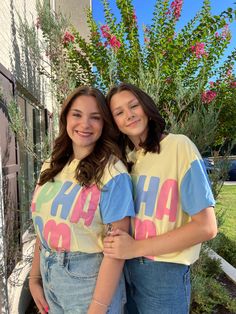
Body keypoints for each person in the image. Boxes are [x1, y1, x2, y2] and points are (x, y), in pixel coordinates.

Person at [103, 82, 218, 314]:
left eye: (133, 105)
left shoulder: (178, 146)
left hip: (164, 275)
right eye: (119, 112)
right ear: (114, 123)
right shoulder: (127, 160)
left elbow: (206, 227)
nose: (129, 115)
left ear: (146, 107)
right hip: (126, 270)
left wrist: (134, 248)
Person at [29, 86, 135, 314]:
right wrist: (35, 277)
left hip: (89, 285)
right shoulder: (52, 165)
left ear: (104, 124)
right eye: (77, 114)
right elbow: (43, 226)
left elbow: (117, 251)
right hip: (50, 277)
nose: (85, 124)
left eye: (95, 118)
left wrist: (97, 308)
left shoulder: (113, 174)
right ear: (66, 117)